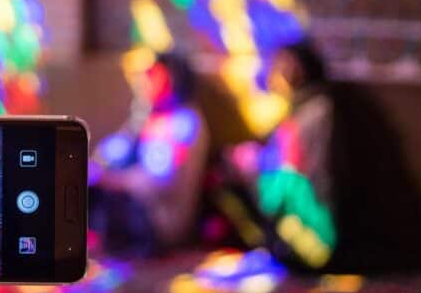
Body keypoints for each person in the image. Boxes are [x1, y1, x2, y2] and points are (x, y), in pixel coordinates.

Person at [220, 39, 338, 270]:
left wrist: (252, 167)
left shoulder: (315, 112)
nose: (275, 74)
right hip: (300, 201)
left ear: (298, 70)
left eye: (283, 66)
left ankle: (275, 247)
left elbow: (289, 178)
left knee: (229, 176)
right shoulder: (304, 109)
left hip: (311, 224)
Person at [89, 52, 210, 256]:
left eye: (151, 75)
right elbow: (109, 153)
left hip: (160, 220)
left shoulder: (183, 122)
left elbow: (159, 180)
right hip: (135, 206)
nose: (143, 82)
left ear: (172, 78)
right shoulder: (146, 117)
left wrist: (111, 179)